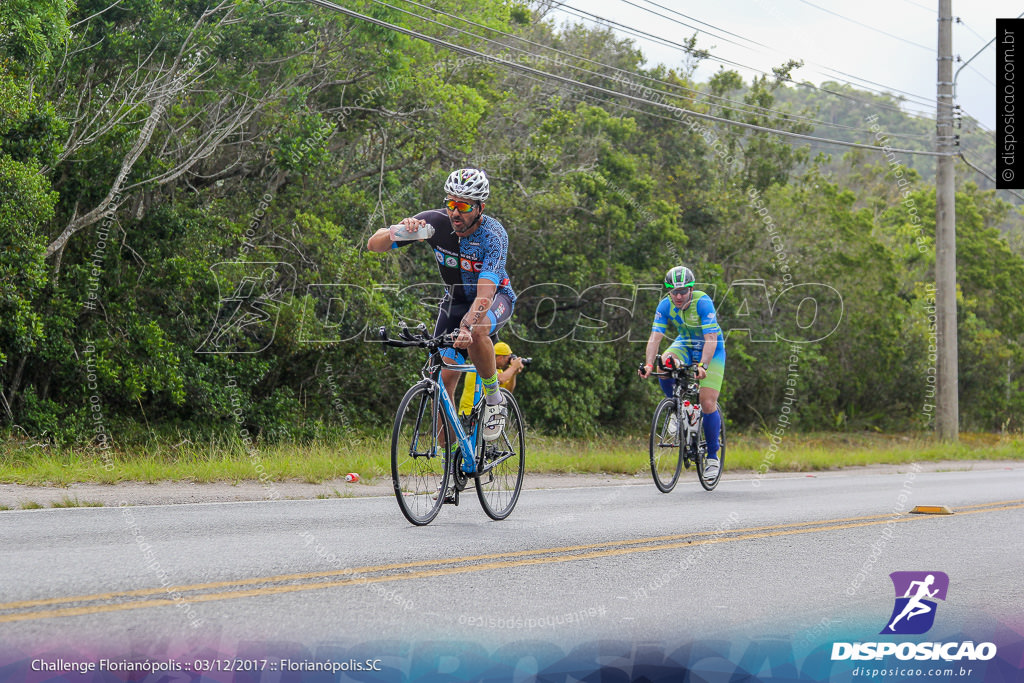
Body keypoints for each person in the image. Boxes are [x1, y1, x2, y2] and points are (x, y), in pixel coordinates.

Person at [367, 168, 515, 443]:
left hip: (495, 299)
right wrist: (398, 231)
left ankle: (495, 400)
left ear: (480, 207)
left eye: (463, 205)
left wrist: (468, 326)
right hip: (455, 302)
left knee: (477, 331)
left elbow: (485, 294)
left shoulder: (494, 236)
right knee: (442, 382)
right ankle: (451, 469)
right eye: (451, 203)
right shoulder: (433, 224)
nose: (455, 212)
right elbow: (374, 245)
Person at [638, 265, 725, 478]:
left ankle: (712, 457)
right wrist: (648, 364)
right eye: (673, 291)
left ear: (691, 289)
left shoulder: (702, 302)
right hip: (685, 344)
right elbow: (655, 337)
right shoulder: (665, 305)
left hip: (711, 350)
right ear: (668, 291)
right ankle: (676, 408)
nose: (678, 296)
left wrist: (703, 366)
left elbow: (711, 339)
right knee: (664, 363)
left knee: (706, 402)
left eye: (683, 291)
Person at [458, 341, 525, 417]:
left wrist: (514, 373)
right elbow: (500, 379)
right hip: (470, 411)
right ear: (500, 358)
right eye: (508, 359)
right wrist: (513, 367)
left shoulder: (498, 371)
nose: (508, 362)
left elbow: (508, 391)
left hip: (486, 412)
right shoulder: (482, 363)